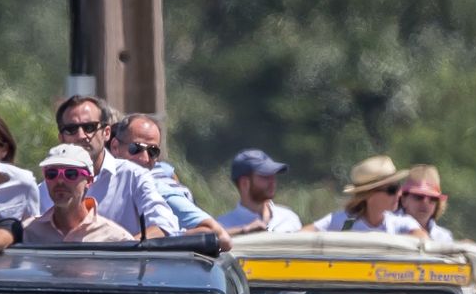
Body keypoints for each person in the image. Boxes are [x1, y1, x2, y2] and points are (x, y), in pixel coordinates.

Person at [53, 95, 176, 237]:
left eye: (89, 127)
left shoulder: (133, 176)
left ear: (106, 133)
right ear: (61, 138)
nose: (81, 135)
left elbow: (165, 226)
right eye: (71, 129)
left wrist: (123, 249)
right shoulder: (46, 189)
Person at [109, 113, 232, 250]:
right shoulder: (93, 183)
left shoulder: (159, 190)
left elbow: (220, 236)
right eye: (136, 149)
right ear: (114, 147)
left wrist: (132, 244)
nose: (144, 158)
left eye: (153, 151)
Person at [24, 144, 138, 244]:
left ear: (89, 181)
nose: (60, 181)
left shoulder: (117, 239)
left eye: (71, 174)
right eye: (52, 173)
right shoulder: (26, 232)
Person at [304, 156, 425, 235]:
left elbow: (424, 241)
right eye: (392, 189)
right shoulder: (344, 222)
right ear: (369, 195)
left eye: (399, 187)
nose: (399, 194)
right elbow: (301, 235)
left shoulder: (401, 224)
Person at [217, 149, 302, 234]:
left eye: (273, 175)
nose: (273, 182)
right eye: (265, 176)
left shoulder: (289, 218)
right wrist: (243, 230)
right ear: (244, 183)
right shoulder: (223, 226)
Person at [398, 165, 454, 243]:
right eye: (418, 197)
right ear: (403, 199)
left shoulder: (444, 237)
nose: (425, 202)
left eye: (432, 198)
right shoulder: (387, 227)